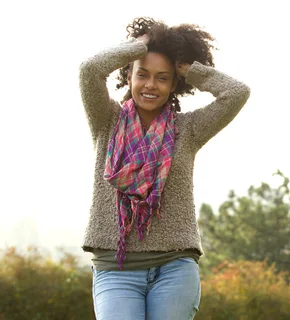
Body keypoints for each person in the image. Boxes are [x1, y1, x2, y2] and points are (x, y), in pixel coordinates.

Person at [79, 17, 250, 319]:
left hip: (175, 267)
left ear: (174, 85)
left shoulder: (189, 129)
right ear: (128, 76)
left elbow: (236, 93)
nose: (150, 85)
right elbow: (90, 71)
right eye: (142, 74)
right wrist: (138, 46)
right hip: (116, 268)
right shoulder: (106, 119)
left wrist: (189, 69)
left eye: (162, 77)